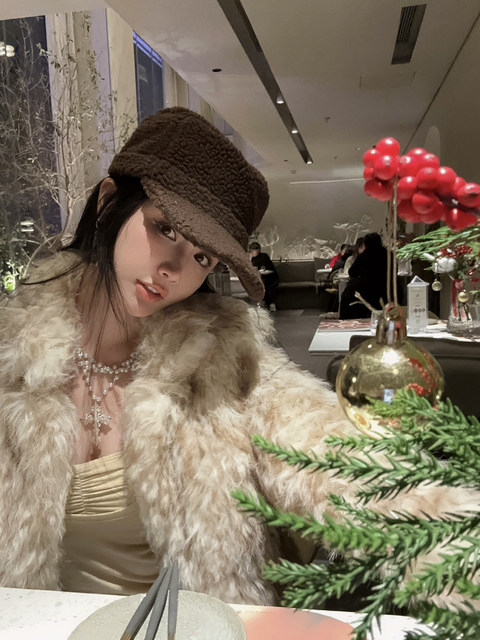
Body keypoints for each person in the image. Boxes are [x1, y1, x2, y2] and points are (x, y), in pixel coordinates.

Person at [0, 108, 477, 608]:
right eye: (165, 229)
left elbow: (333, 456)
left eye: (202, 257)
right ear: (107, 203)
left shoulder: (224, 357)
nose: (173, 269)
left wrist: (456, 551)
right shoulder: (13, 354)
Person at [339, 232, 388, 319]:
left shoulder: (364, 255)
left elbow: (352, 272)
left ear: (366, 244)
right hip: (386, 288)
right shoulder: (388, 255)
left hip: (367, 289)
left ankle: (346, 320)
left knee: (346, 296)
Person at [249, 241, 279, 310]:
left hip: (272, 278)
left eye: (254, 250)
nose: (253, 252)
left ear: (259, 250)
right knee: (260, 283)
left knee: (265, 284)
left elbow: (269, 269)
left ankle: (269, 303)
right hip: (261, 277)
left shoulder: (264, 256)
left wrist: (261, 270)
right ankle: (264, 303)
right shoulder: (253, 259)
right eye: (252, 251)